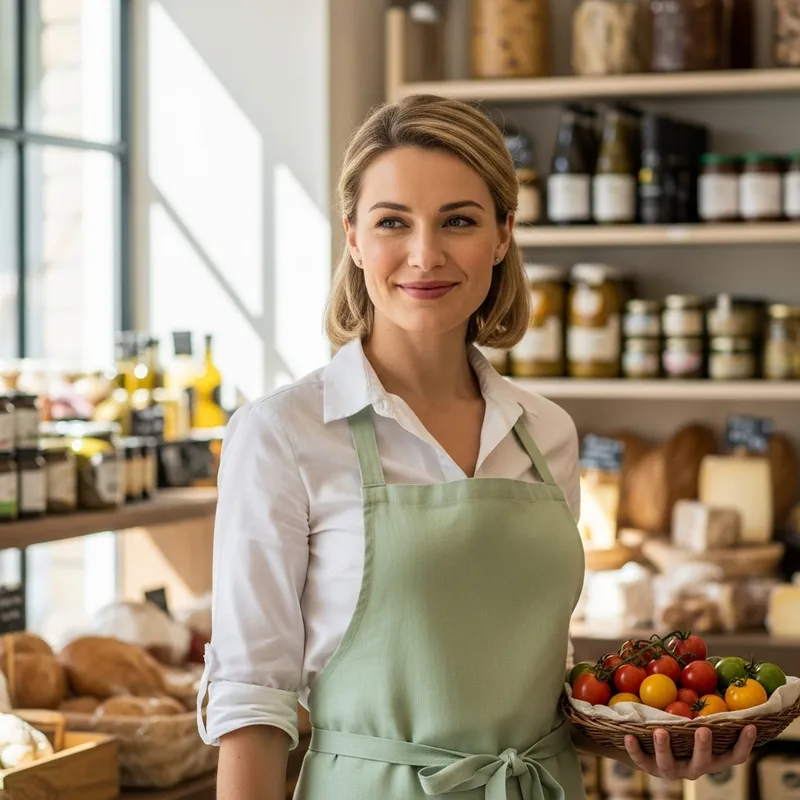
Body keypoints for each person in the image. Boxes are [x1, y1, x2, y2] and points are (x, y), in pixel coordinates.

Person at [197, 94, 756, 800]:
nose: (425, 255)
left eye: (458, 221)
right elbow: (251, 704)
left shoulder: (545, 430)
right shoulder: (283, 433)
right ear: (353, 238)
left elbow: (531, 682)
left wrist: (642, 733)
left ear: (502, 234)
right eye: (392, 222)